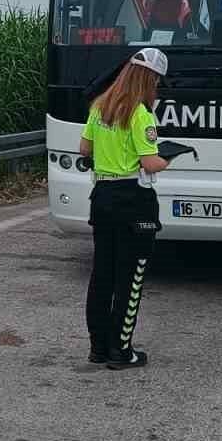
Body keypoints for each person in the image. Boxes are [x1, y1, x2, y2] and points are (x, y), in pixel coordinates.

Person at [79, 47, 170, 369]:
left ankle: (98, 348)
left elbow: (84, 148)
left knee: (102, 274)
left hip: (102, 195)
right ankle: (122, 351)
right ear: (150, 79)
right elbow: (150, 162)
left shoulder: (100, 106)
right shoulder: (141, 114)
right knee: (130, 277)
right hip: (133, 198)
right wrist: (170, 157)